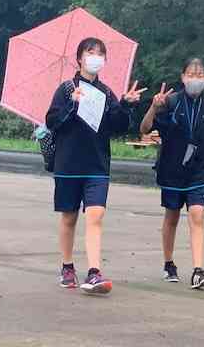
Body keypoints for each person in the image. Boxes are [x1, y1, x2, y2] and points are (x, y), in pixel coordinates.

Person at [46, 37, 146, 294]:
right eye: (90, 52)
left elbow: (119, 126)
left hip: (97, 165)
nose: (95, 57)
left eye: (100, 53)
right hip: (68, 164)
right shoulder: (66, 90)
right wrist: (73, 104)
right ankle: (67, 266)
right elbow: (52, 122)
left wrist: (126, 104)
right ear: (79, 58)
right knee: (69, 217)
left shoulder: (106, 93)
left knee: (95, 215)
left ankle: (94, 271)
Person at [140, 58, 204, 289]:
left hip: (200, 170)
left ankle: (198, 270)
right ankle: (169, 263)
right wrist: (153, 107)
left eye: (200, 74)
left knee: (197, 214)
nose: (196, 78)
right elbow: (144, 129)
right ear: (183, 77)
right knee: (172, 216)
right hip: (172, 169)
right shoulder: (170, 102)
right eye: (191, 74)